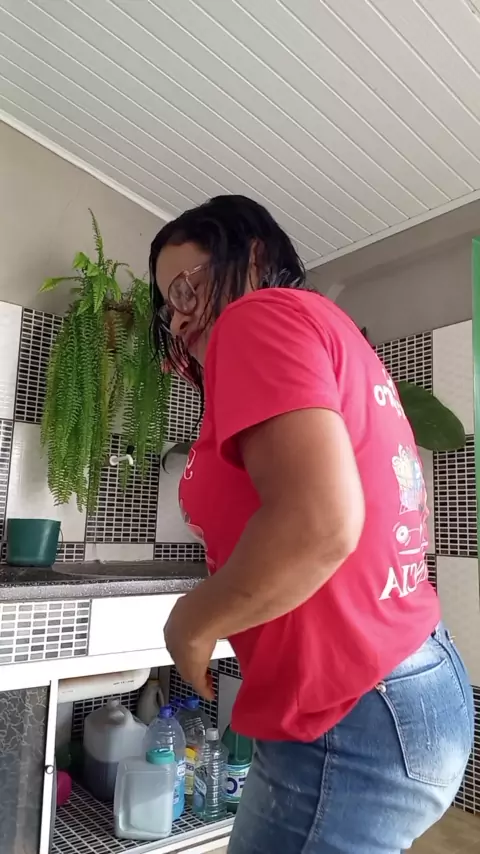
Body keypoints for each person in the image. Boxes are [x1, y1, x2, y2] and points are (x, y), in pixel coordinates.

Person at [149, 195, 474, 854]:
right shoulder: (326, 330)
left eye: (187, 287)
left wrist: (192, 622)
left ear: (254, 259)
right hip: (403, 683)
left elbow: (320, 524)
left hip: (350, 713)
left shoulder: (255, 317)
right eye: (167, 304)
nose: (178, 315)